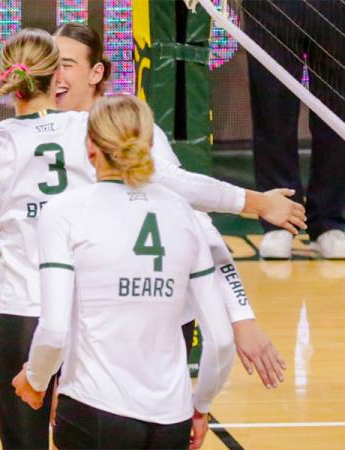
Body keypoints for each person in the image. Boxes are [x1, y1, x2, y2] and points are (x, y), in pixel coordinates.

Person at [0, 26, 295, 450]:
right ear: (55, 79)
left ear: (9, 80)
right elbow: (177, 187)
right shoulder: (96, 127)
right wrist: (254, 202)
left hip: (21, 313)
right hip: (83, 316)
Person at [53, 21, 288, 388]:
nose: (56, 74)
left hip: (150, 321)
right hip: (80, 318)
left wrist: (241, 315)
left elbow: (196, 219)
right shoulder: (46, 131)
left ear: (96, 72)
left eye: (66, 63)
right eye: (50, 63)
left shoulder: (128, 131)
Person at [13, 94, 235, 450]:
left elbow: (54, 330)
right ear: (150, 144)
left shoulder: (66, 211)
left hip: (94, 407)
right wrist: (201, 406)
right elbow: (221, 341)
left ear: (90, 148)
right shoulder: (184, 213)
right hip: (171, 418)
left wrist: (36, 379)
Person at [239, 0, 344, 259]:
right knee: (271, 110)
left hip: (336, 8)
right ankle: (280, 221)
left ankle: (328, 221)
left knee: (336, 114)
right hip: (271, 6)